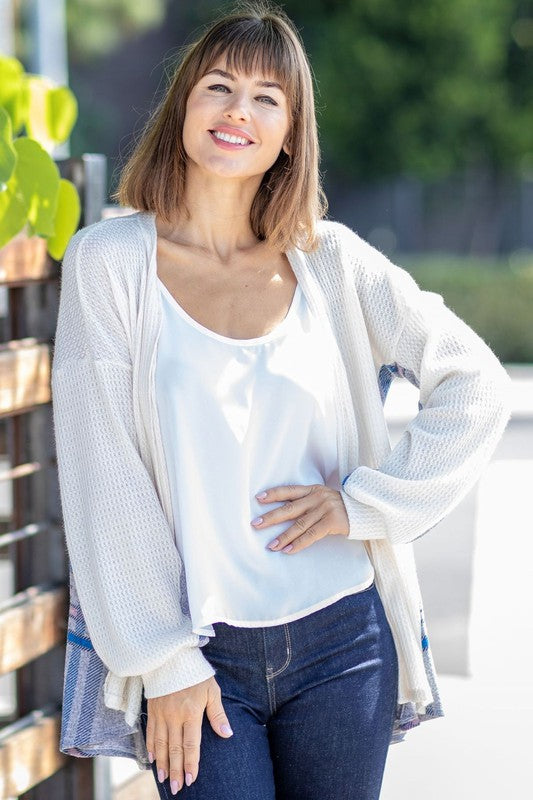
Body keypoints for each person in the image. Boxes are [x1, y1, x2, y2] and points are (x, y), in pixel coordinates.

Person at [51, 2, 512, 798]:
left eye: (267, 98)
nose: (239, 111)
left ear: (292, 131)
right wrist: (164, 664)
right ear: (183, 107)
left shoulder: (328, 261)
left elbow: (475, 384)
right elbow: (105, 478)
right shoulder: (110, 262)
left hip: (343, 642)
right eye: (218, 87)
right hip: (200, 652)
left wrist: (364, 503)